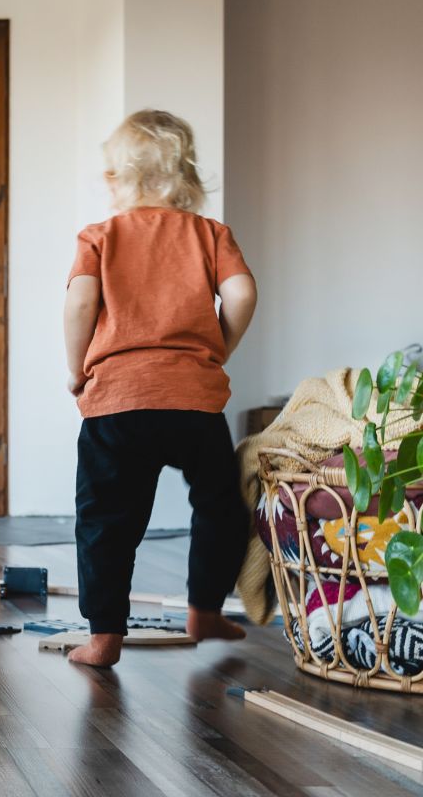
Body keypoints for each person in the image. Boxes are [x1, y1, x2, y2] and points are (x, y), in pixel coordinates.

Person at [63, 109, 259, 668]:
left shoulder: (99, 237)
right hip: (193, 404)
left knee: (106, 517)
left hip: (117, 403)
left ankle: (104, 637)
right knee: (219, 503)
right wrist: (218, 347)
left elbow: (80, 302)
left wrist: (77, 369)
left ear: (114, 179)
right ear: (187, 178)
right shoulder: (210, 234)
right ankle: (205, 610)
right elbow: (242, 295)